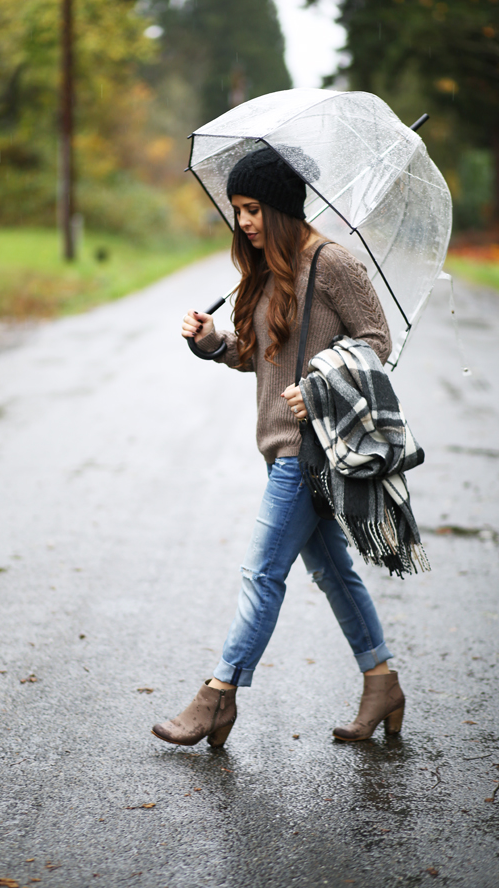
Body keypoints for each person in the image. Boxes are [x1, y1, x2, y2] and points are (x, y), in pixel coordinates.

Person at [151, 147, 405, 748]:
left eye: (254, 209)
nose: (244, 222)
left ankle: (218, 696)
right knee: (334, 572)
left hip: (311, 449)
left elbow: (377, 340)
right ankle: (382, 681)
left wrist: (320, 386)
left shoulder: (332, 263)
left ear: (283, 208)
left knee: (261, 572)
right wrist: (213, 341)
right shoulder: (267, 268)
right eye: (238, 211)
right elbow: (258, 355)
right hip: (279, 446)